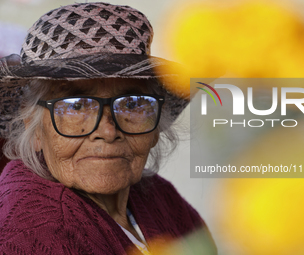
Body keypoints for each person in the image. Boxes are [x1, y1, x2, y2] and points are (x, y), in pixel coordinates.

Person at [0, 2, 216, 255]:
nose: (108, 130)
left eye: (133, 104)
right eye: (77, 105)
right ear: (34, 128)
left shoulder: (159, 195)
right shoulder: (32, 230)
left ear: (157, 125)